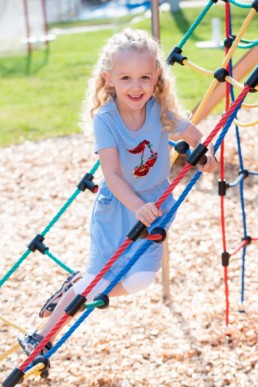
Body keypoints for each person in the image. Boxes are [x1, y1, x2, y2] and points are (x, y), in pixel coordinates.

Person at [18, 28, 217, 355]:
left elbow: (195, 136)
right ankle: (41, 337)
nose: (136, 87)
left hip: (155, 202)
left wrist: (206, 157)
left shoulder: (159, 108)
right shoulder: (106, 119)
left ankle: (77, 289)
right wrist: (137, 206)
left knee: (140, 280)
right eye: (125, 78)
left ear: (156, 77)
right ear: (109, 79)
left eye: (143, 77)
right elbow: (111, 174)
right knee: (93, 283)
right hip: (119, 207)